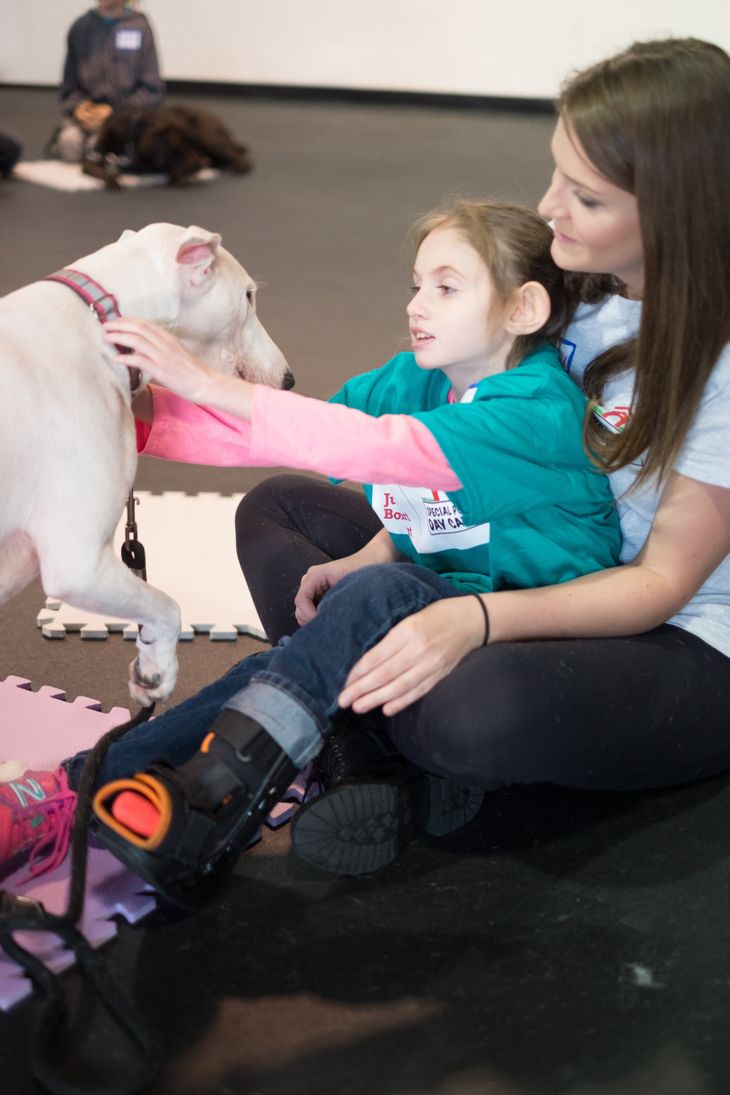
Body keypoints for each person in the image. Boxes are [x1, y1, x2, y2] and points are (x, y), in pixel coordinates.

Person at [1, 198, 621, 903]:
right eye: (417, 284)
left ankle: (168, 795)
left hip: (520, 630)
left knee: (362, 602)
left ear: (523, 309)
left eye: (446, 288)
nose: (418, 305)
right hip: (435, 579)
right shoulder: (418, 377)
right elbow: (300, 433)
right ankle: (354, 742)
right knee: (280, 503)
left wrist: (205, 382)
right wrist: (94, 412)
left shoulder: (535, 411)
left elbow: (382, 448)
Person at [49, 1, 163, 164]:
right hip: (89, 116)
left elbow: (152, 91)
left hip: (126, 117)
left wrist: (113, 113)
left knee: (102, 147)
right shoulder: (80, 28)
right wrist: (79, 108)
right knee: (69, 143)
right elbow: (69, 89)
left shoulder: (139, 27)